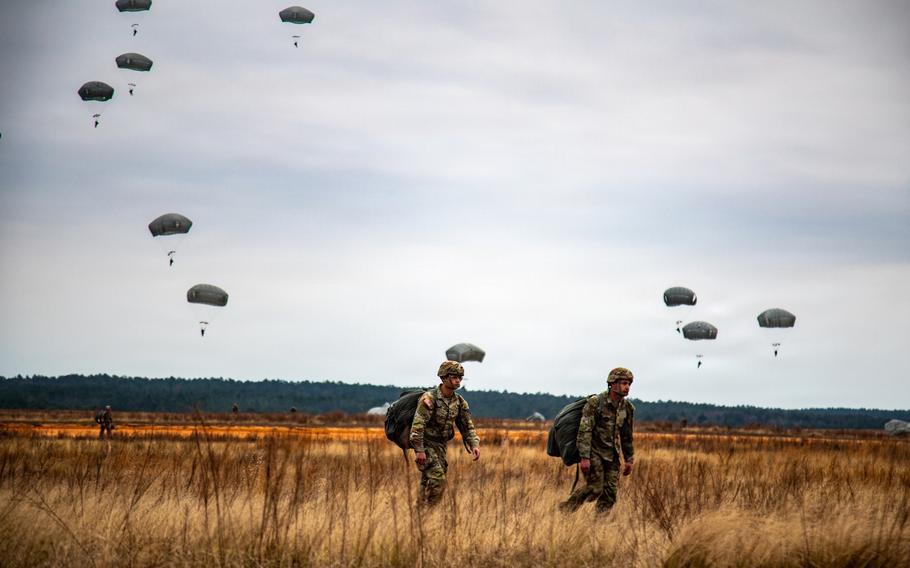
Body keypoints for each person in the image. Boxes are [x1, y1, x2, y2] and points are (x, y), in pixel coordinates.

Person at [560, 367, 635, 514]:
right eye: (624, 383)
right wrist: (584, 457)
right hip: (594, 453)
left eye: (629, 384)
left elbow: (627, 435)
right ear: (613, 384)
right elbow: (584, 430)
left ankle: (599, 525)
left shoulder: (627, 408)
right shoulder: (595, 403)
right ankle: (566, 509)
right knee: (594, 488)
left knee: (610, 494)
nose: (627, 387)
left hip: (612, 456)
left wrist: (629, 459)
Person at [409, 360, 481, 508]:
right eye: (454, 377)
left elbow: (468, 426)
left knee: (427, 481)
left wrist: (474, 444)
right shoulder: (429, 399)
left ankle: (419, 514)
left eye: (460, 378)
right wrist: (419, 450)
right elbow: (418, 426)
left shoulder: (459, 402)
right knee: (438, 479)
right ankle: (428, 512)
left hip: (441, 446)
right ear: (444, 378)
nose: (458, 381)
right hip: (426, 444)